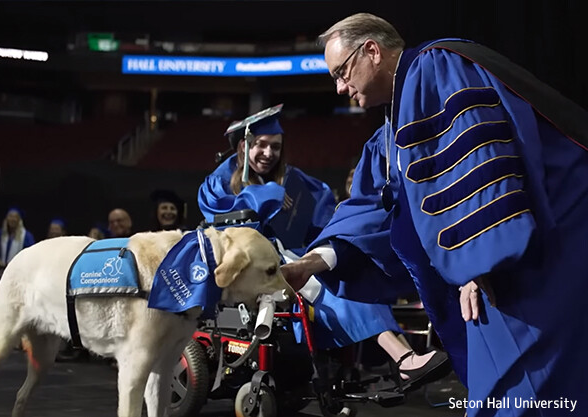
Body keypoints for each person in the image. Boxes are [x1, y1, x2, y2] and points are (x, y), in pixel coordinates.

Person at [281, 12, 588, 416]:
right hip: (492, 271)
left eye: (342, 71)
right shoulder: (393, 130)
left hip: (534, 257)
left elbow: (479, 159)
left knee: (528, 392)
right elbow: (376, 208)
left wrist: (480, 262)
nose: (340, 87)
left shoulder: (437, 67)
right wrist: (311, 262)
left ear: (372, 51)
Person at [198, 105, 449, 389]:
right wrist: (269, 198)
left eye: (276, 147)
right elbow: (225, 229)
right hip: (256, 266)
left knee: (344, 273)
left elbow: (320, 210)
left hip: (296, 255)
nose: (269, 154)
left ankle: (401, 357)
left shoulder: (293, 179)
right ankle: (402, 357)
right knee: (331, 285)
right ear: (244, 145)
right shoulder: (219, 181)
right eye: (261, 145)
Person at [0, 207, 35, 278]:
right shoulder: (0, 234)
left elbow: (30, 255)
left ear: (19, 220)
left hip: (18, 273)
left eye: (15, 217)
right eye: (10, 216)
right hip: (0, 271)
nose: (12, 219)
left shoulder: (26, 236)